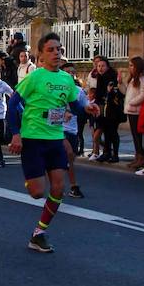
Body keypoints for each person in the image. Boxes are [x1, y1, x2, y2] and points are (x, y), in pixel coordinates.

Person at [7, 32, 99, 254]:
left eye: (59, 49)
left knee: (58, 188)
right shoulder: (35, 78)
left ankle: (39, 233)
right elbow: (12, 104)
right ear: (41, 55)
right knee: (37, 192)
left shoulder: (67, 80)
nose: (56, 53)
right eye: (51, 49)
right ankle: (31, 179)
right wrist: (16, 134)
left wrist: (86, 108)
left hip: (56, 140)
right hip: (33, 139)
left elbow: (74, 107)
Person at [60, 62, 87, 198]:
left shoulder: (79, 91)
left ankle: (71, 187)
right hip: (58, 129)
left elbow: (84, 108)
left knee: (70, 159)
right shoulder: (56, 89)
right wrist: (62, 114)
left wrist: (91, 109)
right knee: (68, 154)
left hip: (73, 130)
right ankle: (71, 186)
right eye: (67, 72)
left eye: (72, 72)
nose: (70, 74)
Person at [122, 57, 144, 171]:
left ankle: (141, 157)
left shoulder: (142, 79)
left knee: (138, 136)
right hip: (131, 110)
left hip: (136, 111)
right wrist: (120, 84)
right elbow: (126, 92)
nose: (130, 68)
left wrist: (132, 103)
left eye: (132, 65)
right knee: (134, 135)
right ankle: (137, 156)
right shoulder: (133, 79)